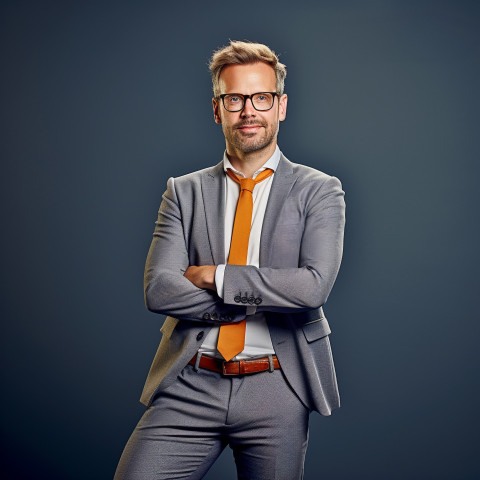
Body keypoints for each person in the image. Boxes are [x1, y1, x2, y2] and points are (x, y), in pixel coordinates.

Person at [114, 40, 346, 480]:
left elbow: (312, 287)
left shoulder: (320, 190)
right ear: (217, 109)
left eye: (261, 98)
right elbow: (159, 289)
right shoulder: (183, 191)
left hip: (277, 387)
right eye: (235, 98)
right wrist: (260, 298)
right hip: (190, 381)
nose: (248, 111)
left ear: (280, 106)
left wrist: (215, 276)